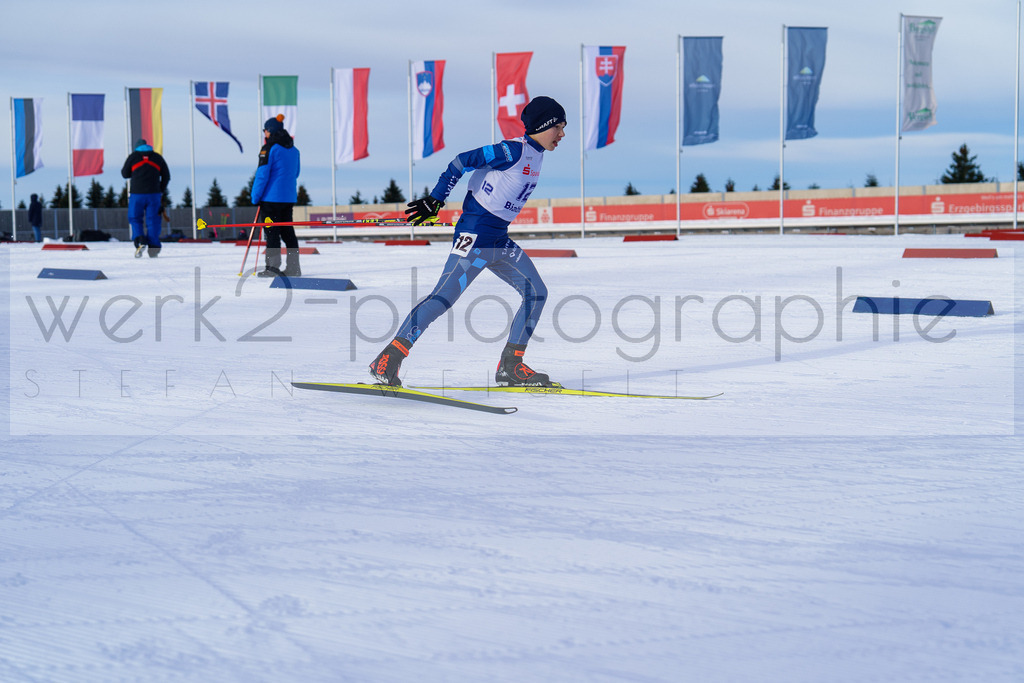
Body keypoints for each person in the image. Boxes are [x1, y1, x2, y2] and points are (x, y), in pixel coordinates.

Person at [368, 95, 567, 388]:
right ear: (543, 125)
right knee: (442, 298)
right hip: (473, 238)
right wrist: (436, 198)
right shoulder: (512, 151)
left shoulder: (537, 154)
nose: (562, 134)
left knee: (536, 292)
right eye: (558, 127)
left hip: (499, 240)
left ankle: (510, 366)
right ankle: (388, 358)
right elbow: (460, 162)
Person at [251, 114, 301, 277]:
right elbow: (296, 173)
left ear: (270, 131)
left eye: (265, 130)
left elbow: (262, 174)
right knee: (288, 232)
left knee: (272, 232)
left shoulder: (269, 148)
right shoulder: (294, 150)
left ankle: (272, 268)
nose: (264, 133)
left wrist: (255, 196)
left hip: (271, 199)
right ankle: (294, 267)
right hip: (288, 198)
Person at [121, 139, 170, 258]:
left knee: (135, 218)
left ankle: (140, 240)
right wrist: (160, 189)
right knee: (153, 220)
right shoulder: (157, 157)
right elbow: (166, 176)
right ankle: (153, 248)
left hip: (137, 194)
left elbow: (125, 174)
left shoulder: (133, 157)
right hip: (154, 195)